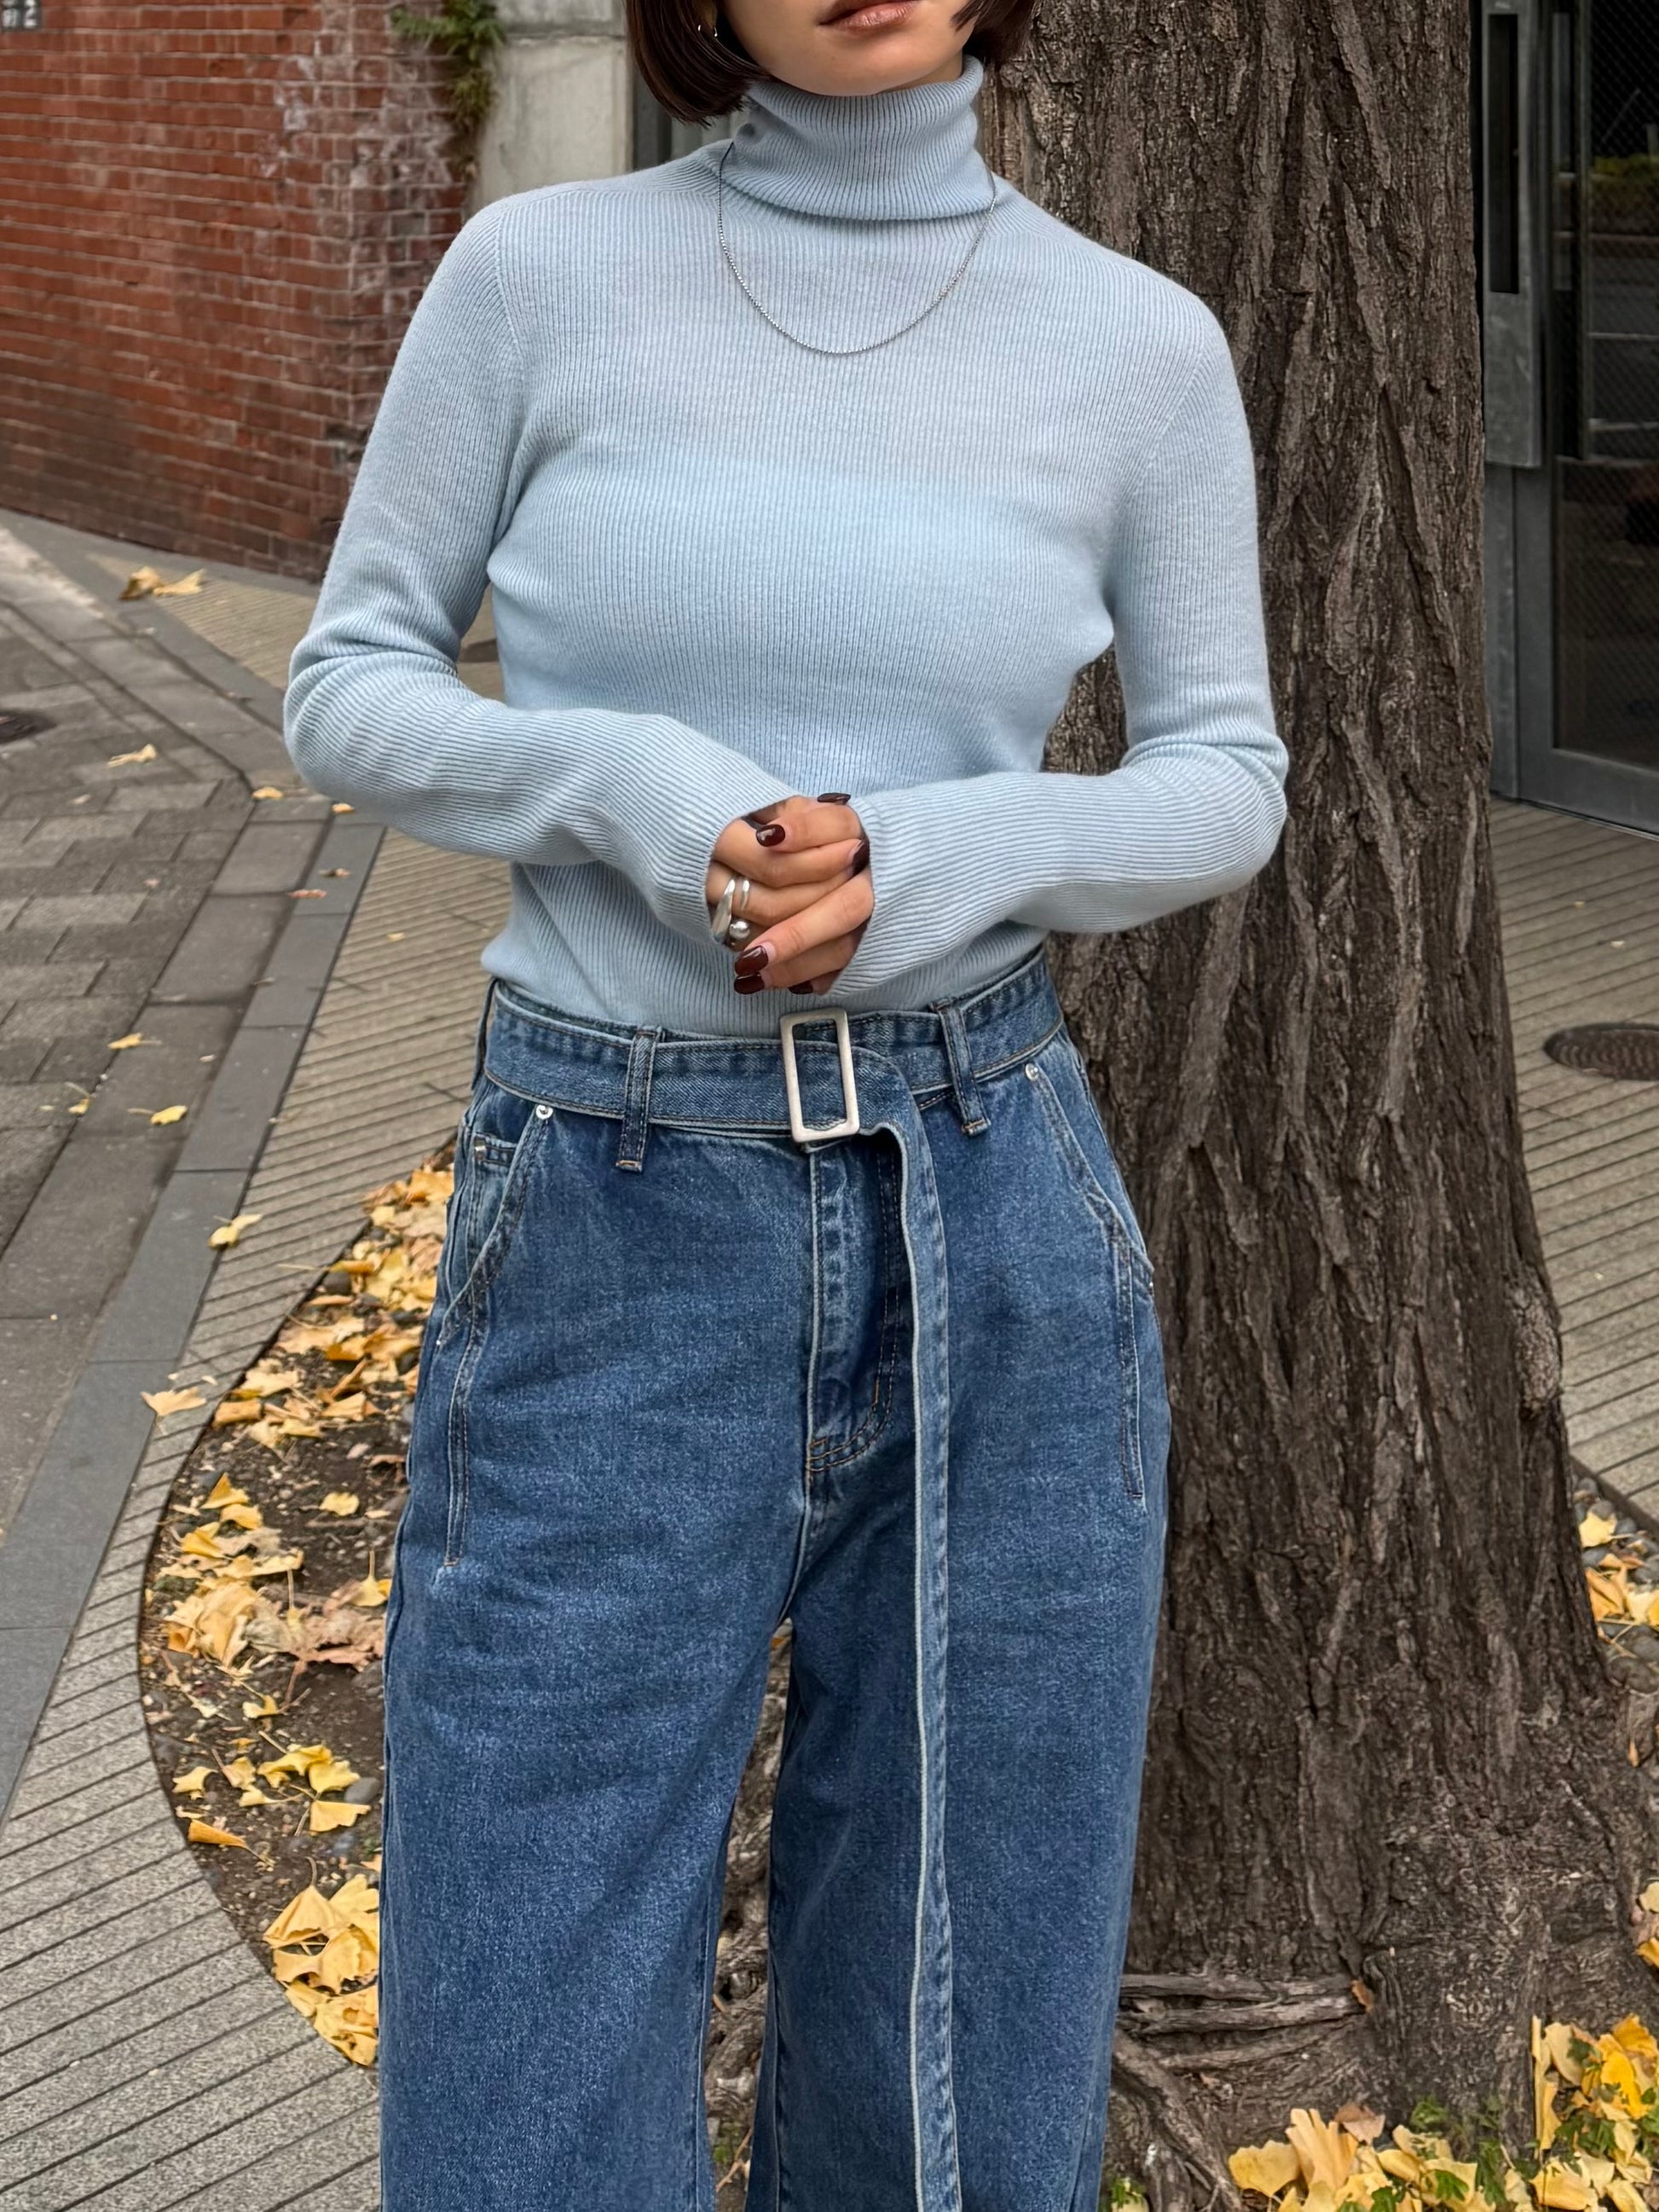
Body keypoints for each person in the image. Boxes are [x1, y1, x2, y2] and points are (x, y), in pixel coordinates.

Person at [283, 0, 1287, 2203]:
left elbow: (1228, 774)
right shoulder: (536, 281)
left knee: (959, 2038)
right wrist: (637, 793)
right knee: (527, 2020)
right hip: (611, 1193)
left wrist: (938, 854)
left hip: (993, 1213)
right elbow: (344, 682)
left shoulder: (1137, 347)